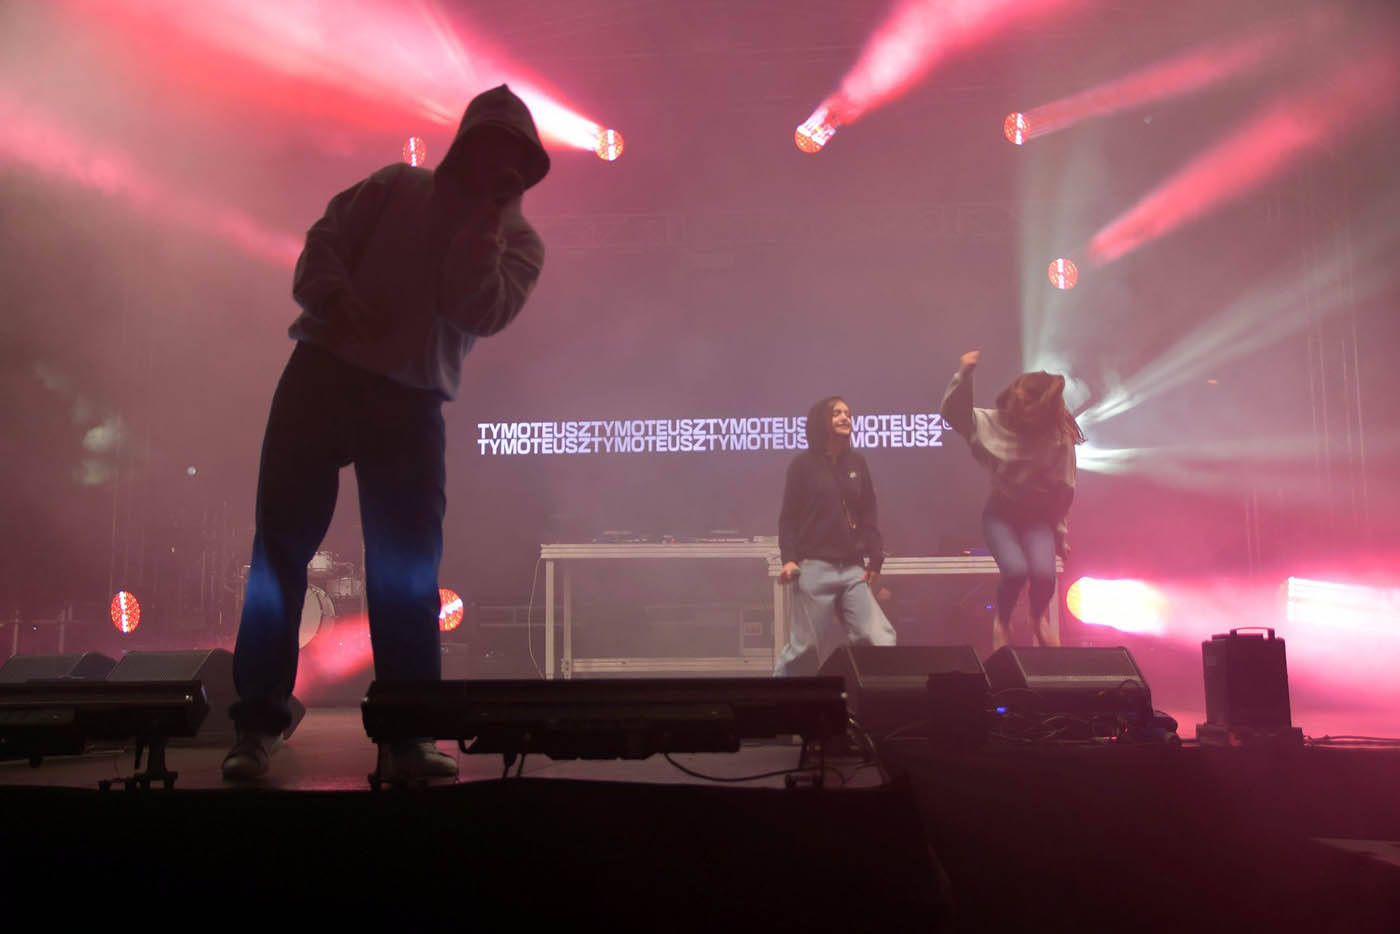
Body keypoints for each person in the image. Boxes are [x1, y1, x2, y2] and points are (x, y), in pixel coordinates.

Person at [222, 85, 550, 781]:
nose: (496, 164)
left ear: (523, 168)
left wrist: (484, 222)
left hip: (406, 398)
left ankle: (405, 732)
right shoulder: (399, 184)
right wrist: (336, 300)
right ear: (466, 146)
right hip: (325, 373)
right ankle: (258, 724)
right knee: (281, 550)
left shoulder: (519, 243)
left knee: (405, 572)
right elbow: (325, 241)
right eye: (488, 148)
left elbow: (476, 311)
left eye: (509, 157)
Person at [939, 351, 1084, 651]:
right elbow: (955, 413)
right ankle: (1002, 622)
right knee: (1015, 570)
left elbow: (1064, 489)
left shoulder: (1058, 438)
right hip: (1001, 515)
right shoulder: (996, 424)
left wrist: (1060, 532)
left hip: (1037, 518)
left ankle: (1036, 618)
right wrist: (964, 374)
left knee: (1044, 575)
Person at [775, 396, 896, 676]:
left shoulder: (857, 462)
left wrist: (875, 556)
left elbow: (868, 512)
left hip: (852, 570)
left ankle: (868, 697)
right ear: (822, 421)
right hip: (814, 567)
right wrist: (789, 558)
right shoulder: (802, 465)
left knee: (880, 639)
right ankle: (778, 698)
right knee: (804, 650)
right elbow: (788, 517)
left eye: (848, 413)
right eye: (837, 413)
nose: (845, 418)